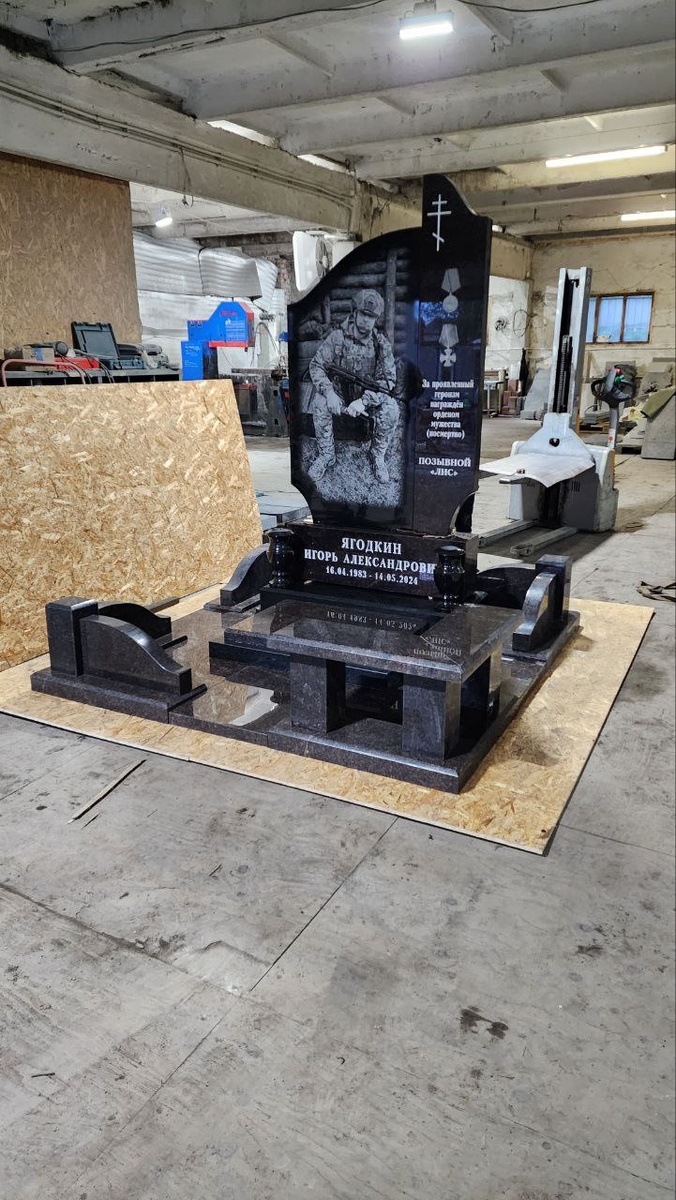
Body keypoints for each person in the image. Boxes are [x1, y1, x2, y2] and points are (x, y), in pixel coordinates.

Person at [308, 289, 398, 484]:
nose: (366, 320)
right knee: (320, 401)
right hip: (339, 396)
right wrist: (329, 392)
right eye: (364, 314)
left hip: (366, 400)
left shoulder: (380, 345)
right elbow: (316, 365)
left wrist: (364, 401)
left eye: (371, 317)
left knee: (391, 408)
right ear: (355, 313)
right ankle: (326, 455)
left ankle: (377, 455)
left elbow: (388, 381)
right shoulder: (337, 338)